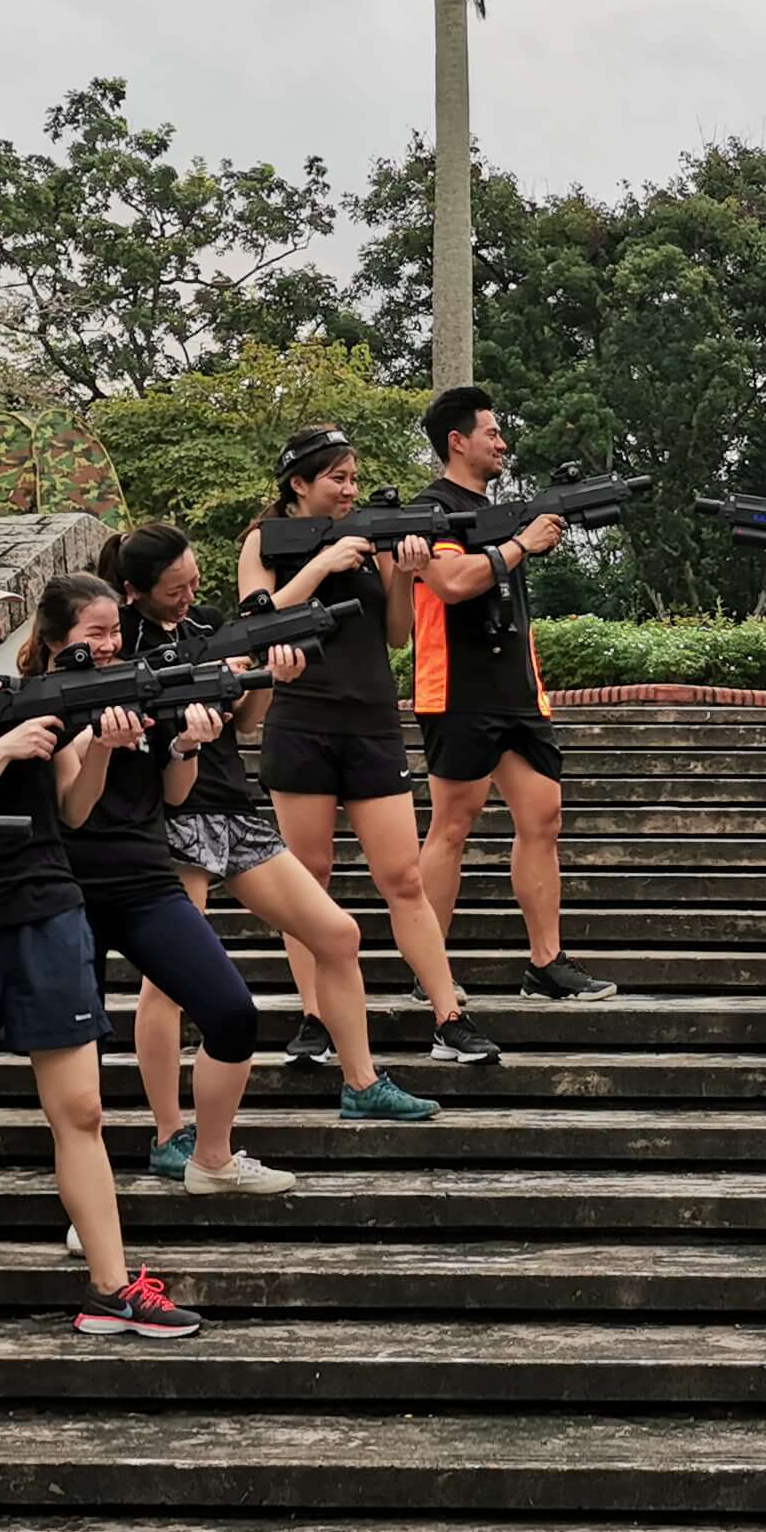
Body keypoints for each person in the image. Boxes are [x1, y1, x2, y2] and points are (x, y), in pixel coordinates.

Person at [0, 556, 205, 1347]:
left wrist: (101, 746)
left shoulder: (34, 699)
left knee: (81, 1110)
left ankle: (112, 1286)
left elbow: (74, 812)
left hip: (49, 908)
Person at [109, 523, 442, 1141]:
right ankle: (169, 1133)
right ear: (135, 591)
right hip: (168, 814)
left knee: (337, 934)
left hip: (231, 805)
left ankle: (362, 1083)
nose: (190, 598)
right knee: (168, 979)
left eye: (194, 583)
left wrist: (267, 676)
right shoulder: (120, 645)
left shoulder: (207, 627)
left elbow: (245, 723)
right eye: (176, 590)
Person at [243, 426, 503, 1066]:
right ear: (298, 484)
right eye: (337, 478)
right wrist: (321, 565)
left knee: (404, 878)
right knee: (308, 881)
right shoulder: (264, 540)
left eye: (354, 478)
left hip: (371, 722)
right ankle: (315, 1018)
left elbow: (395, 635)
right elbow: (255, 625)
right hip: (300, 721)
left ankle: (448, 1015)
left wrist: (403, 573)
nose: (350, 490)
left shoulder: (372, 537)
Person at [37, 568, 289, 1193]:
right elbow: (74, 810)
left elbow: (175, 796)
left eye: (114, 633)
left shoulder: (138, 685)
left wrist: (187, 746)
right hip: (67, 893)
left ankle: (212, 1158)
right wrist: (99, 744)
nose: (109, 645)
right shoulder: (41, 704)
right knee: (80, 1072)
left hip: (148, 879)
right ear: (55, 639)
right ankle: (89, 1209)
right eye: (94, 634)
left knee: (232, 1013)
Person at [410, 384, 615, 999]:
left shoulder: (497, 513)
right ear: (458, 441)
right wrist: (521, 545)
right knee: (452, 825)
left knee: (544, 818)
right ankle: (430, 970)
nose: (503, 443)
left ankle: (546, 962)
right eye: (492, 432)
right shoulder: (430, 509)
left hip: (516, 687)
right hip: (457, 686)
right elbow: (450, 581)